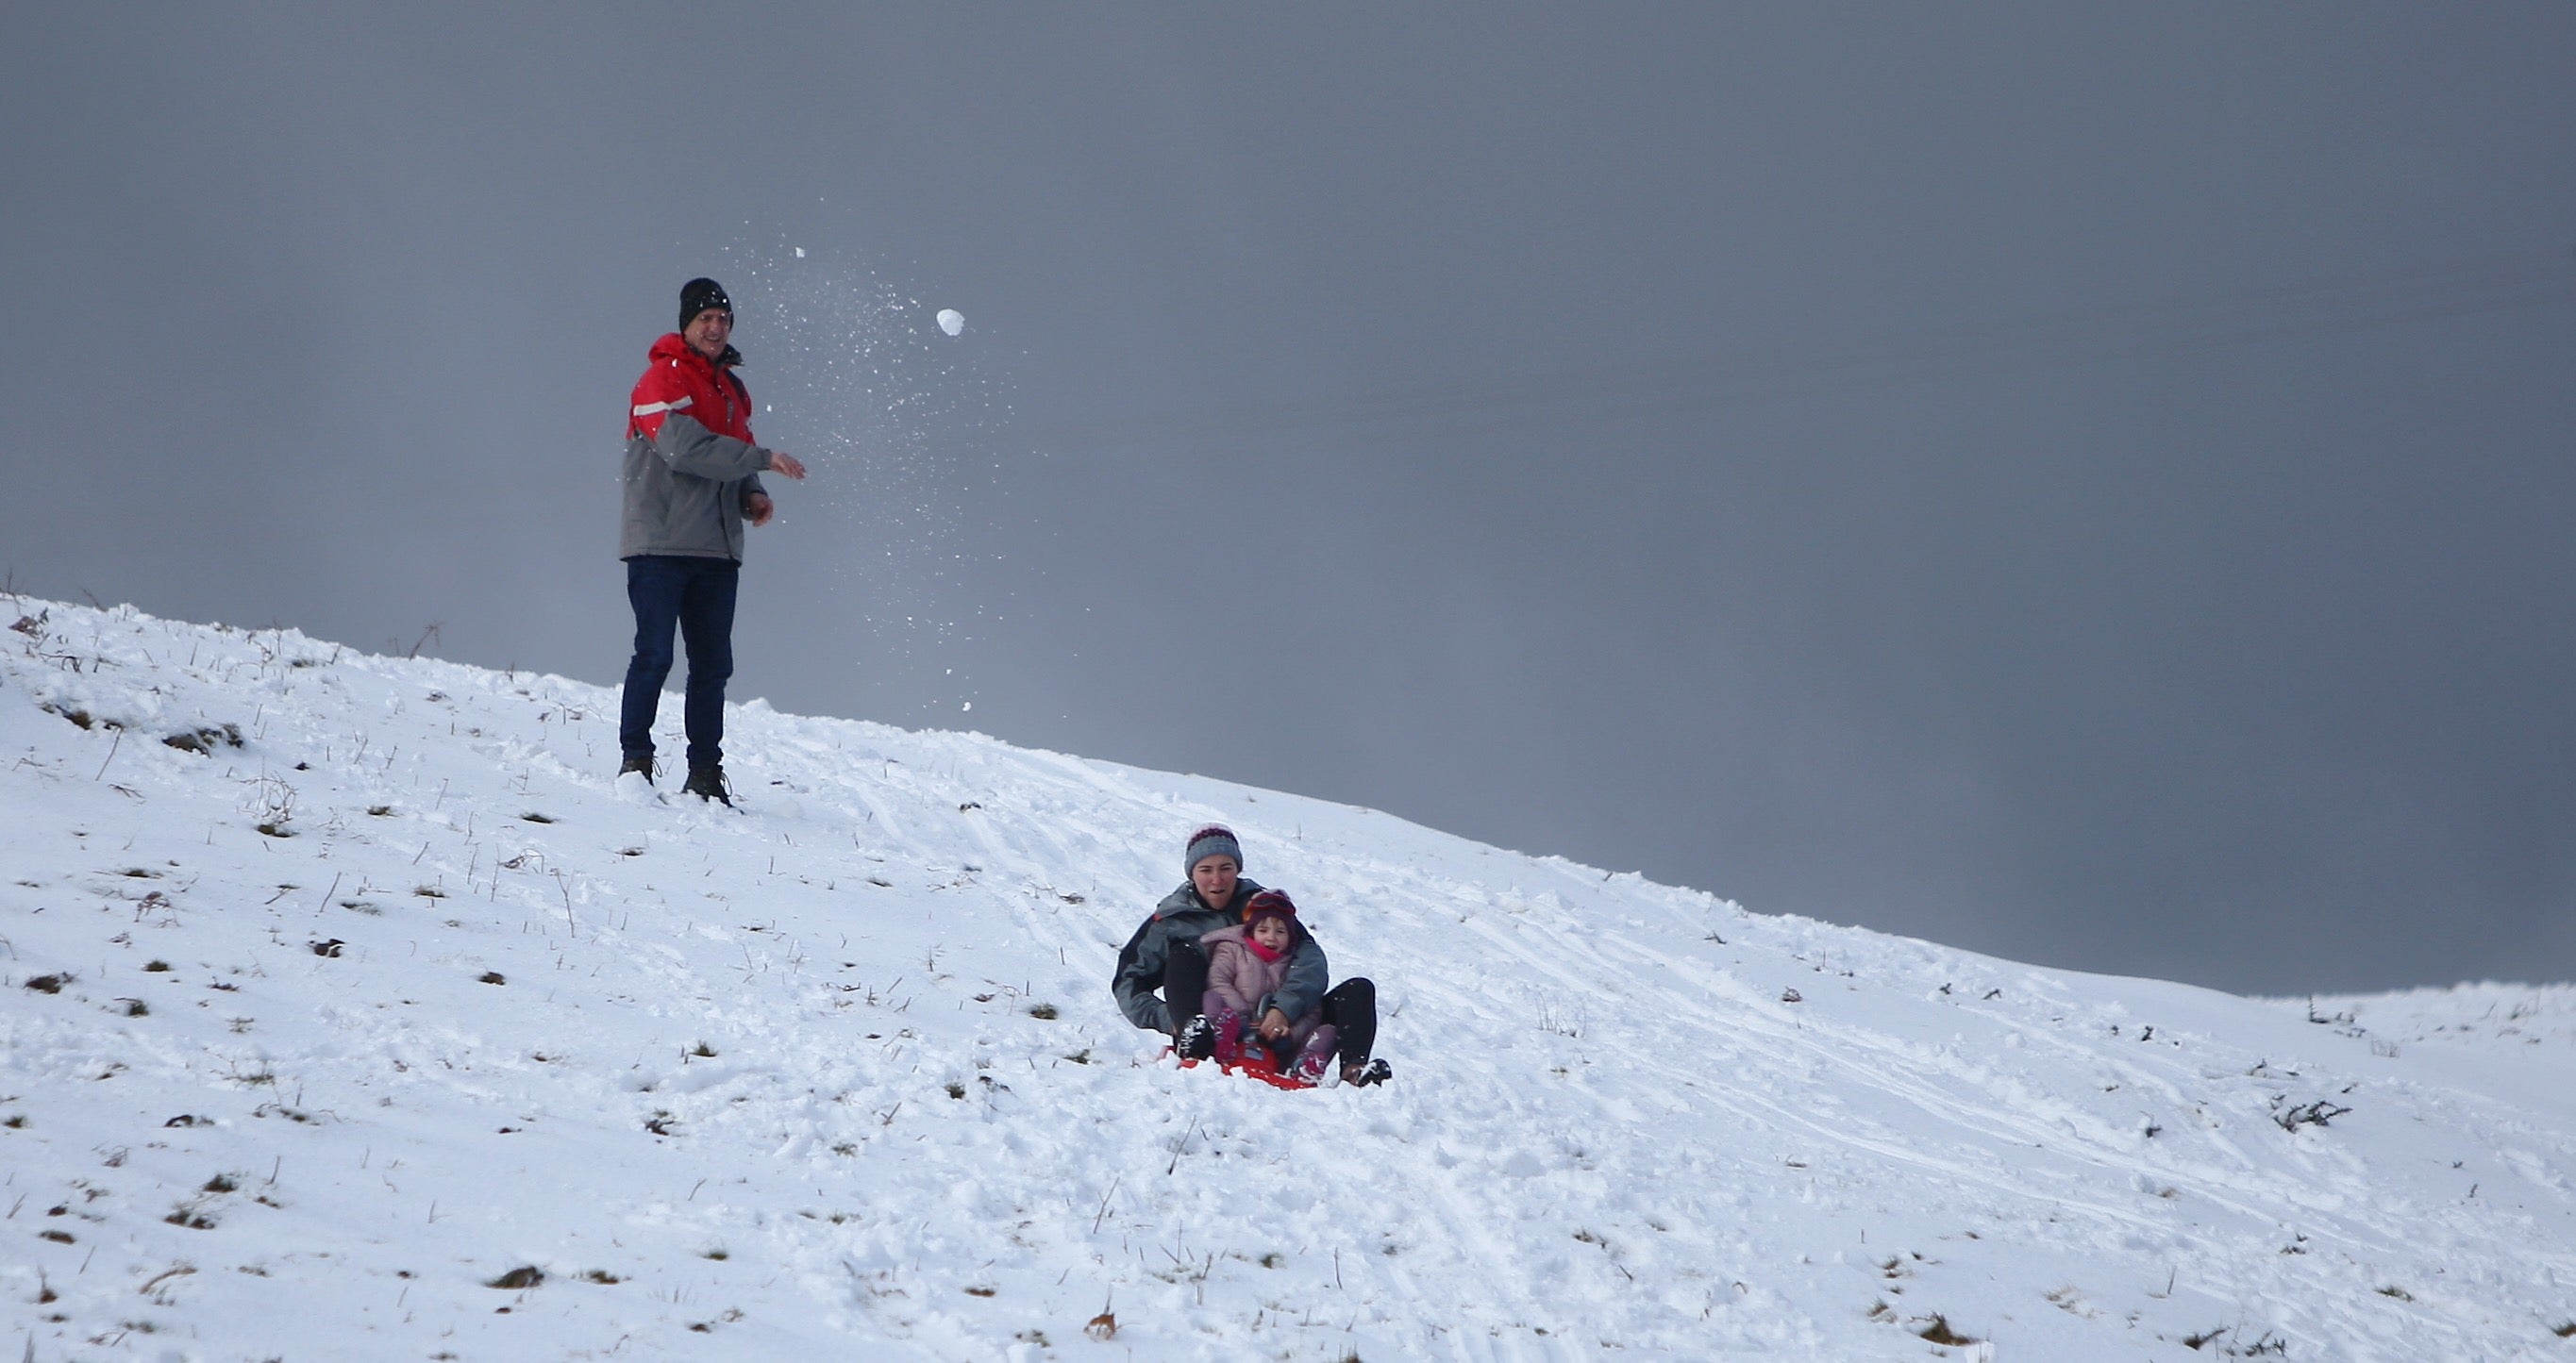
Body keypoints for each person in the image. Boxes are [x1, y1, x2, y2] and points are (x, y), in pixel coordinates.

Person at [616, 277, 808, 804]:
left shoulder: (732, 389)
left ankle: (704, 773)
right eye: (706, 318)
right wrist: (762, 460)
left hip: (717, 551)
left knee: (712, 667)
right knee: (654, 655)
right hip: (660, 544)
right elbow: (685, 450)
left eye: (723, 318)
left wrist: (752, 493)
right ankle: (636, 763)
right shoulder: (660, 379)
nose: (716, 327)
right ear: (686, 323)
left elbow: (735, 450)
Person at [1111, 825, 1390, 1087]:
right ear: (1191, 874)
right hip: (1218, 1026)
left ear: (1238, 869)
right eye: (1206, 870)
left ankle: (1354, 1073)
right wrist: (1171, 1018)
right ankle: (1193, 1037)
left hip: (1281, 1028)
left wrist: (1283, 1010)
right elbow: (1128, 982)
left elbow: (1310, 959)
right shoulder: (1170, 921)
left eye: (1226, 868)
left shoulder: (1264, 908)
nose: (1217, 879)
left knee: (1358, 990)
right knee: (1184, 955)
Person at [1201, 889, 1347, 1086]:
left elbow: (1312, 1009)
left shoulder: (1295, 963)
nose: (1271, 938)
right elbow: (1219, 981)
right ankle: (1221, 1042)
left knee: (1328, 1031)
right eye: (1263, 930)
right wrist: (1242, 1017)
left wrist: (1288, 1033)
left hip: (1277, 1048)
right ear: (1250, 930)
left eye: (1280, 931)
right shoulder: (1232, 949)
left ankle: (1305, 1067)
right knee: (1211, 998)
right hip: (1236, 1029)